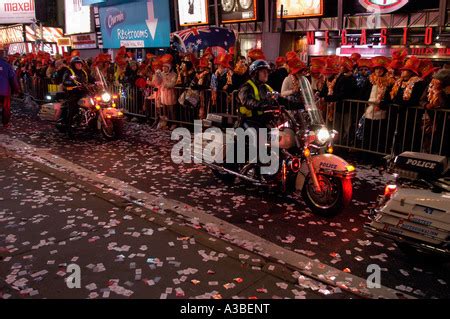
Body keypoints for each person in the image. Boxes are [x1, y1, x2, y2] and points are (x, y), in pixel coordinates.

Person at [358, 56, 394, 153]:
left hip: (381, 113)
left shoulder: (389, 82)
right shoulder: (369, 80)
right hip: (369, 111)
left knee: (378, 135)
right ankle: (366, 153)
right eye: (377, 68)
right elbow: (363, 94)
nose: (378, 71)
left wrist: (382, 104)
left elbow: (390, 97)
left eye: (380, 69)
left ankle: (377, 154)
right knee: (367, 134)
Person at [238, 59, 275, 129]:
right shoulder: (246, 87)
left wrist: (297, 104)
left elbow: (278, 98)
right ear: (255, 73)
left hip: (264, 120)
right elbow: (247, 101)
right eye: (262, 71)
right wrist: (264, 105)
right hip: (249, 120)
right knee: (259, 136)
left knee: (277, 135)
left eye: (267, 71)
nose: (266, 73)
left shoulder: (266, 87)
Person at [60, 56, 91, 135]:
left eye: (80, 63)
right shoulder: (69, 71)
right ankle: (69, 127)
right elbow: (65, 80)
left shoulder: (83, 72)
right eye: (77, 63)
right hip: (72, 92)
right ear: (73, 64)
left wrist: (97, 82)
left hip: (84, 92)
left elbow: (90, 78)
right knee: (73, 107)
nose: (79, 65)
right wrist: (72, 84)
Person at [0, 47, 20, 128]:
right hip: (4, 90)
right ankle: (5, 123)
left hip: (4, 89)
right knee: (6, 107)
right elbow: (12, 78)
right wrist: (16, 89)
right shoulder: (7, 65)